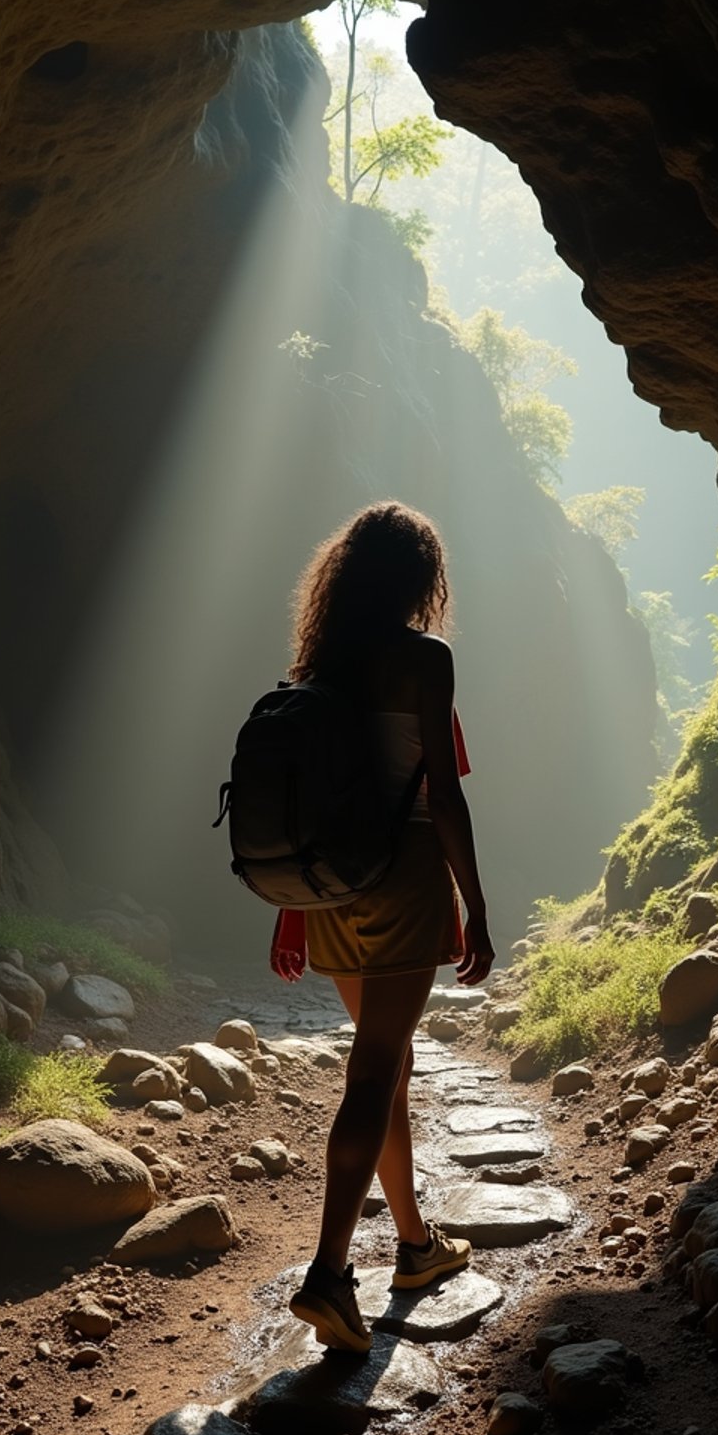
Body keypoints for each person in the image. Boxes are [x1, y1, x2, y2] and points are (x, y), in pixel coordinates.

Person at [273, 501, 495, 1354]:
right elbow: (442, 792)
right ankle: (330, 1274)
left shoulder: (317, 665)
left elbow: (304, 797)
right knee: (374, 1071)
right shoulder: (422, 661)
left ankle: (414, 1247)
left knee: (386, 1062)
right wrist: (473, 901)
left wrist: (296, 907)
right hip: (401, 879)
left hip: (327, 885)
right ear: (419, 580)